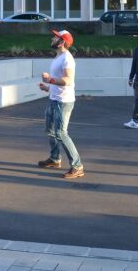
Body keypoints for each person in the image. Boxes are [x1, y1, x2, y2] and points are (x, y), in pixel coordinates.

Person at [37, 29, 85, 179]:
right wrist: (48, 88)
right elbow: (59, 79)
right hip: (54, 98)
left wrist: (50, 80)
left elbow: (68, 80)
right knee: (50, 130)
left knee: (61, 133)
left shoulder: (67, 59)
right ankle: (55, 159)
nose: (52, 38)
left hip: (63, 102)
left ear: (62, 42)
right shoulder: (58, 57)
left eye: (56, 37)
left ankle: (77, 166)